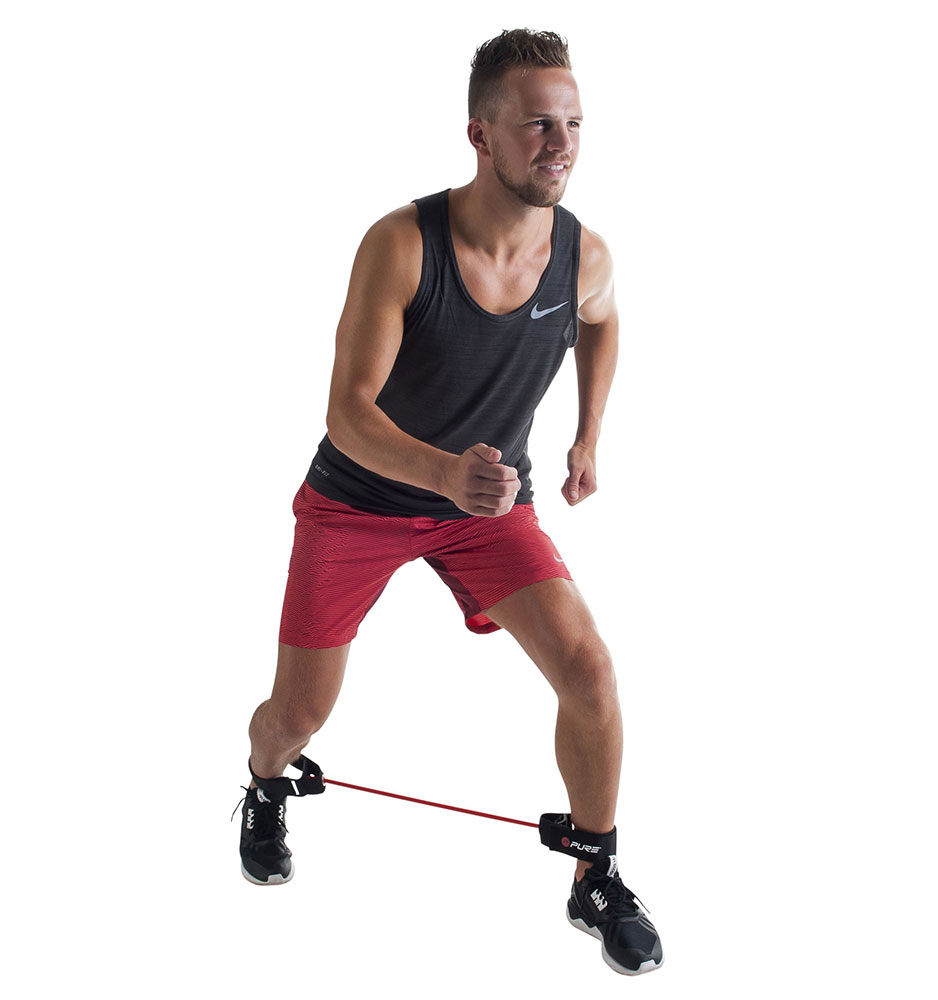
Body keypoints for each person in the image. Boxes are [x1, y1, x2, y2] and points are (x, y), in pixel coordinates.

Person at [235, 28, 663, 976]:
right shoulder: (401, 244)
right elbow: (347, 414)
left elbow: (603, 321)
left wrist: (589, 434)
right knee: (298, 715)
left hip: (487, 507)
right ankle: (264, 784)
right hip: (358, 502)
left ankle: (595, 873)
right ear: (480, 134)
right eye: (537, 125)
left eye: (574, 124)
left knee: (589, 671)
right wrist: (439, 476)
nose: (561, 144)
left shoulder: (583, 254)